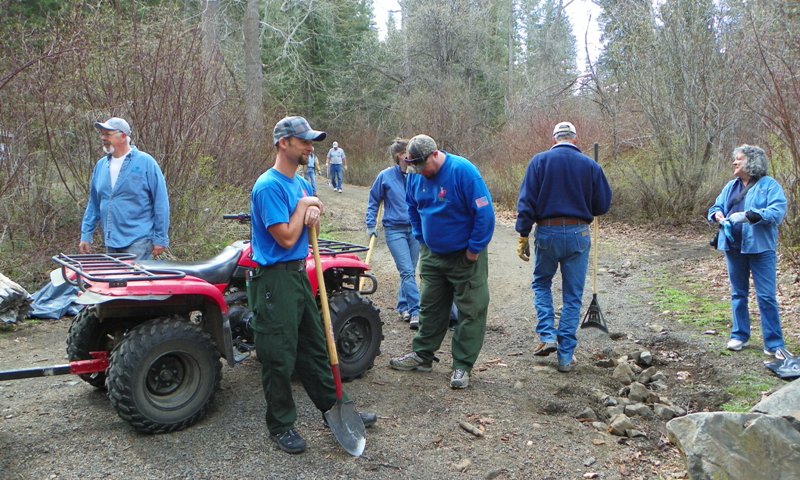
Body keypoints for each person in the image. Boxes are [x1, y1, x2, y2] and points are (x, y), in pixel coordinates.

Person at [249, 116, 376, 454]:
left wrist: (313, 211)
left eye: (311, 141)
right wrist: (306, 207)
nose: (310, 147)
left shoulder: (300, 185)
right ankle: (280, 424)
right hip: (274, 280)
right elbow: (287, 236)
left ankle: (335, 407)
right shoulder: (268, 186)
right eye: (303, 141)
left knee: (316, 346)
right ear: (283, 143)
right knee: (279, 355)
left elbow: (309, 229)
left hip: (298, 273)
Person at [389, 134, 495, 389]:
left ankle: (461, 366)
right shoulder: (416, 176)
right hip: (433, 255)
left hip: (464, 256)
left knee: (471, 310)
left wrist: (474, 249)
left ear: (435, 154)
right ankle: (423, 355)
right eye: (414, 166)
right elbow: (412, 208)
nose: (420, 171)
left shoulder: (463, 171)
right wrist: (421, 238)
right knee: (430, 307)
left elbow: (484, 212)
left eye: (422, 166)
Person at [515, 121, 612, 373]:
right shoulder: (591, 166)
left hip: (547, 231)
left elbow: (526, 201)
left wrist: (523, 234)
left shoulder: (539, 161)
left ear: (555, 139)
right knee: (572, 295)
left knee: (541, 282)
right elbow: (602, 205)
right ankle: (566, 355)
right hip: (579, 232)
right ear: (575, 140)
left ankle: (547, 335)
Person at [708, 144, 787, 358]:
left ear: (752, 162)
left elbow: (777, 211)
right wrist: (717, 215)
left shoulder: (769, 185)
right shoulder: (730, 186)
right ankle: (739, 335)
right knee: (738, 294)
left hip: (761, 249)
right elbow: (715, 207)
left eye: (739, 159)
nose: (734, 162)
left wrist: (749, 215)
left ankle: (774, 343)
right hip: (733, 247)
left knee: (766, 296)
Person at [79, 117, 170, 261]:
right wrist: (86, 234)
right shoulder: (101, 166)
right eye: (102, 134)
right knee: (116, 283)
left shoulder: (146, 162)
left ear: (123, 136)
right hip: (111, 241)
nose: (103, 137)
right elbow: (94, 204)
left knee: (133, 283)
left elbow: (161, 202)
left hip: (138, 241)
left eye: (107, 134)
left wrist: (160, 238)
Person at [366, 138, 421, 330]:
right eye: (409, 152)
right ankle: (416, 311)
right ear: (400, 156)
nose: (412, 155)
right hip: (394, 230)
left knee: (410, 272)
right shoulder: (385, 176)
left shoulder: (417, 175)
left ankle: (403, 306)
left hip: (414, 229)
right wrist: (370, 224)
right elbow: (374, 200)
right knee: (406, 271)